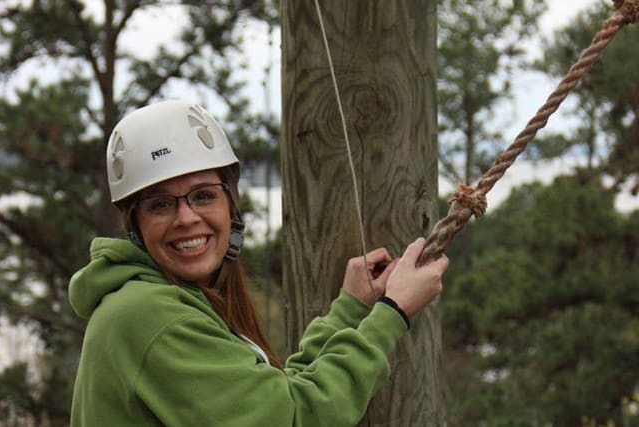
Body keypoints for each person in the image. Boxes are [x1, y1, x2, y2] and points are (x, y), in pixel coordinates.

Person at [69, 99, 449, 427]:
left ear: (230, 205)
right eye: (160, 204)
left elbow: (278, 399)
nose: (185, 218)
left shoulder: (164, 303)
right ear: (135, 225)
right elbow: (297, 419)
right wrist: (391, 313)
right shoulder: (151, 317)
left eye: (203, 196)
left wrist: (350, 309)